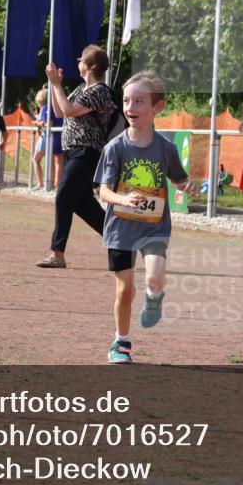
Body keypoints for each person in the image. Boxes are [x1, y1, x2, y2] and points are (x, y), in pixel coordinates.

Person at [95, 71, 196, 362]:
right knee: (125, 289)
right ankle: (121, 343)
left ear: (157, 108)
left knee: (154, 279)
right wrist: (123, 199)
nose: (131, 108)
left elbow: (178, 178)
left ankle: (155, 298)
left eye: (139, 101)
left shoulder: (166, 148)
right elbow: (103, 191)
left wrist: (185, 184)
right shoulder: (115, 148)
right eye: (126, 101)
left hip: (154, 227)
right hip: (121, 228)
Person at [37, 45, 115, 269]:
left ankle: (58, 253)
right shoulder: (83, 88)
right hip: (75, 152)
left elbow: (69, 111)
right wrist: (54, 86)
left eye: (82, 60)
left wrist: (56, 84)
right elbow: (60, 111)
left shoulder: (99, 91)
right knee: (83, 206)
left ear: (91, 66)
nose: (77, 62)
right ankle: (122, 244)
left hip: (86, 150)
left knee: (63, 195)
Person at [33, 87, 64, 190]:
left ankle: (49, 184)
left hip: (53, 136)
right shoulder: (56, 106)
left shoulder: (46, 108)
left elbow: (49, 123)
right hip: (60, 135)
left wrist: (39, 123)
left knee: (54, 160)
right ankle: (55, 184)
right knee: (58, 160)